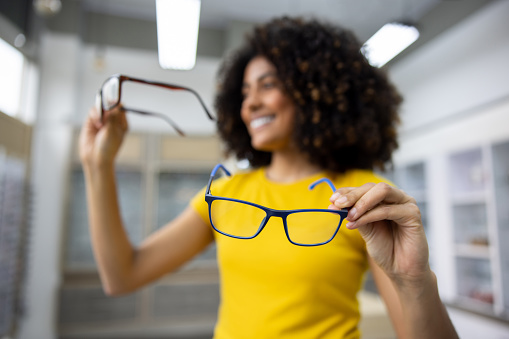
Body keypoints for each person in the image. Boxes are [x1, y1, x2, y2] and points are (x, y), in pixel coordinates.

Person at [79, 16, 458, 339]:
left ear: (314, 90)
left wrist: (415, 281)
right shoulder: (226, 194)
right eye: (244, 92)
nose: (251, 103)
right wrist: (98, 164)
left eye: (268, 84)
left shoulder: (359, 197)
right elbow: (122, 275)